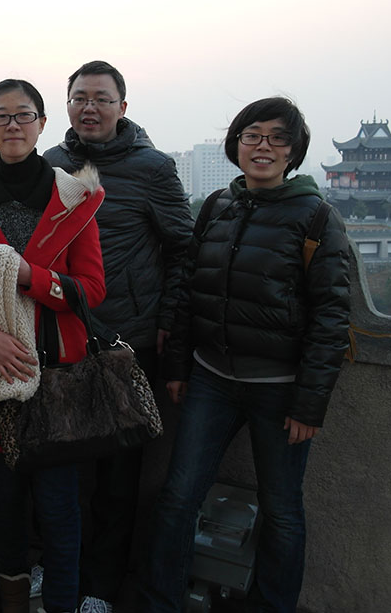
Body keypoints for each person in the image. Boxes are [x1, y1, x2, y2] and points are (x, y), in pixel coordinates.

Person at [136, 97, 350, 613]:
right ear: (236, 144)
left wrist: (309, 405)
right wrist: (178, 367)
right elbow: (190, 289)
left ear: (294, 151)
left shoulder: (316, 217)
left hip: (279, 389)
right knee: (178, 496)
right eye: (252, 135)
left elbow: (331, 317)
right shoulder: (217, 206)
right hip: (212, 378)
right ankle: (162, 600)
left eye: (277, 138)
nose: (263, 147)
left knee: (282, 510)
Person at [0, 79, 106, 613]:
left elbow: (92, 290)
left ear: (42, 124)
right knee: (4, 504)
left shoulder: (76, 198)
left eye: (24, 115)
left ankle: (61, 602)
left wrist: (29, 277)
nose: (13, 125)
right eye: (1, 116)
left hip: (56, 374)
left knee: (58, 505)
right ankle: (12, 600)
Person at [43, 60, 193, 613]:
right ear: (66, 106)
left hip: (128, 340)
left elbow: (184, 248)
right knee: (55, 460)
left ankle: (100, 587)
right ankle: (56, 565)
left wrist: (168, 317)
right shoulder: (50, 163)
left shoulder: (153, 168)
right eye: (80, 98)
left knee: (118, 471)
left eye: (102, 99)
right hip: (60, 334)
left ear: (122, 108)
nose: (90, 108)